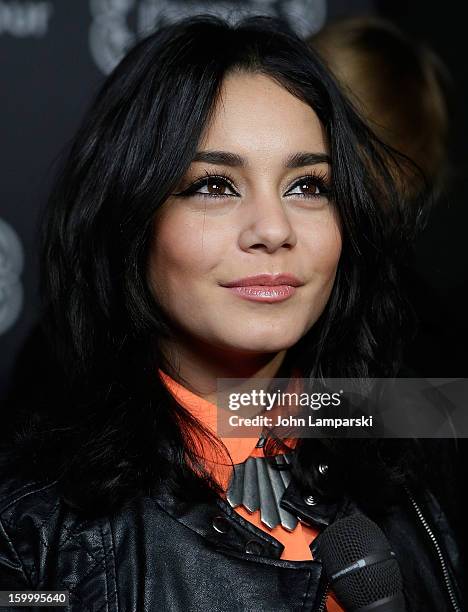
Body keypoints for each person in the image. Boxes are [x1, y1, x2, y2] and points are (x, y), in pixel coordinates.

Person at [0, 14, 463, 612]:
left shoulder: (409, 457)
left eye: (308, 186)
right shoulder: (32, 535)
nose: (274, 230)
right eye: (215, 185)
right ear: (130, 219)